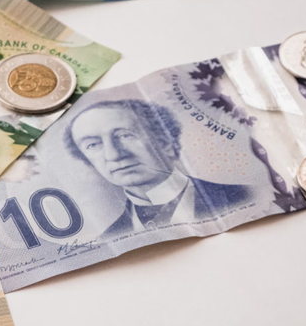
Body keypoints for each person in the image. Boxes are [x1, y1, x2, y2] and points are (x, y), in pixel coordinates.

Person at [65, 99, 253, 238]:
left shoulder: (245, 196)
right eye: (93, 145)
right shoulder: (108, 239)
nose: (113, 155)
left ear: (165, 143)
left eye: (124, 135)